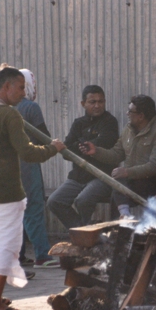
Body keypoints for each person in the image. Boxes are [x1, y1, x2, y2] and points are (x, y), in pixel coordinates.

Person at [0, 64, 65, 310]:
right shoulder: (10, 115)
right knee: (6, 245)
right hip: (5, 189)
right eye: (21, 88)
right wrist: (53, 148)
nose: (24, 93)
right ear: (7, 86)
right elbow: (28, 152)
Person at [80, 94, 156, 219]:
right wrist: (96, 151)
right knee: (117, 184)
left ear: (141, 116)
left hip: (152, 182)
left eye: (130, 111)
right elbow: (116, 155)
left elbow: (155, 166)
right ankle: (122, 222)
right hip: (131, 180)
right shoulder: (128, 130)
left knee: (121, 182)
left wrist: (127, 172)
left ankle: (126, 222)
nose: (127, 113)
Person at [47, 85, 120, 229]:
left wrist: (83, 145)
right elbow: (67, 151)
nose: (97, 105)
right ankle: (83, 229)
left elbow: (105, 143)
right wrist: (83, 146)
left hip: (101, 177)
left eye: (101, 101)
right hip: (78, 176)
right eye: (92, 102)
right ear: (83, 104)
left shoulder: (110, 121)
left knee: (83, 200)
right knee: (54, 201)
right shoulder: (78, 123)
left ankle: (86, 233)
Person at [15, 69, 55, 267]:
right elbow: (43, 136)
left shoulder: (0, 107)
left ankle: (19, 254)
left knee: (17, 210)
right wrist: (55, 147)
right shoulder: (30, 107)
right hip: (28, 164)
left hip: (10, 165)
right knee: (33, 208)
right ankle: (42, 254)